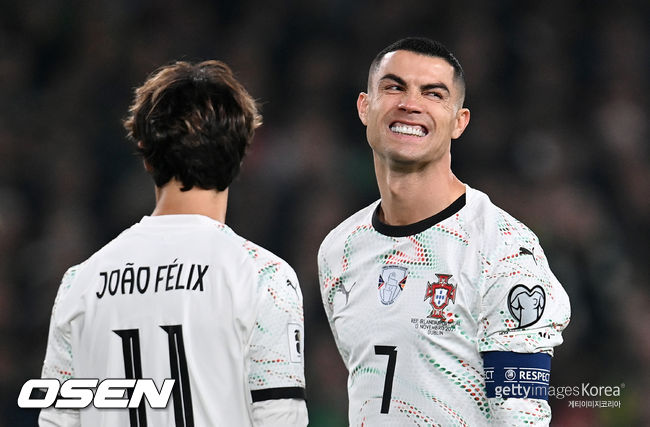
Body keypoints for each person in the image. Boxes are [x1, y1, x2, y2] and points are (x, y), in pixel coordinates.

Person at [38, 60, 308, 426]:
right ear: (240, 154)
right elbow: (281, 418)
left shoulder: (80, 282)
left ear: (146, 153)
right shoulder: (263, 278)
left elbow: (57, 421)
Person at [318, 37, 570, 425]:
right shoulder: (340, 248)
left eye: (433, 94)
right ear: (364, 107)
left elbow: (522, 418)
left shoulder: (503, 248)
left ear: (459, 122)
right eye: (394, 87)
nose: (410, 104)